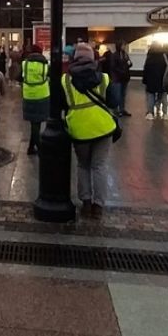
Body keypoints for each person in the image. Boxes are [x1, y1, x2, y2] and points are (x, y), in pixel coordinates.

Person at [61, 42, 120, 219]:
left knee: (83, 165)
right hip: (103, 128)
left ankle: (85, 203)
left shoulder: (66, 80)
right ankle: (98, 206)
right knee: (99, 166)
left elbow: (61, 104)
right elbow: (114, 102)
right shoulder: (104, 78)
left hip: (79, 129)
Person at [21, 44, 49, 155]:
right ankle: (39, 146)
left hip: (28, 95)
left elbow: (20, 76)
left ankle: (31, 147)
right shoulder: (45, 65)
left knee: (34, 122)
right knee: (36, 123)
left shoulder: (25, 64)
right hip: (42, 94)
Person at [142, 45, 168, 119]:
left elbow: (146, 69)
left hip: (151, 80)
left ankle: (150, 113)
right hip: (162, 80)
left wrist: (145, 80)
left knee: (150, 95)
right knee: (163, 95)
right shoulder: (164, 56)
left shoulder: (149, 58)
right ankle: (165, 113)